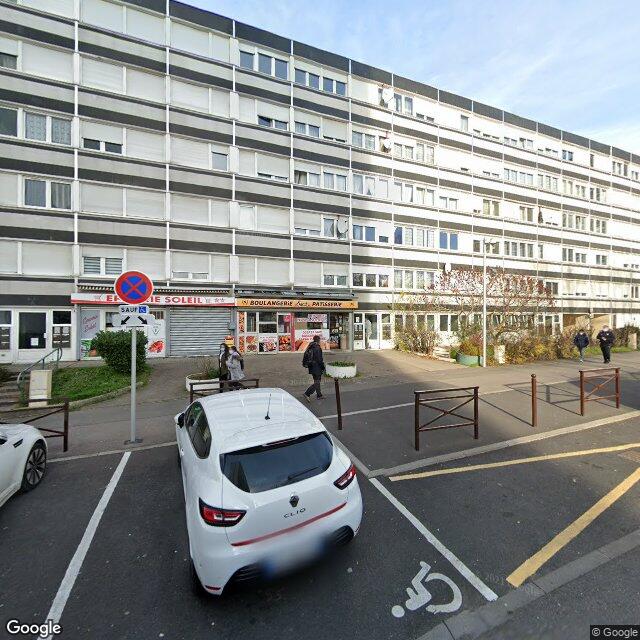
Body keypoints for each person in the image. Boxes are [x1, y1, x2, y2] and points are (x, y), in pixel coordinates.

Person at [302, 335, 325, 402]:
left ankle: (319, 395)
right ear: (318, 340)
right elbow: (319, 360)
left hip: (311, 366)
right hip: (317, 367)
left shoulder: (310, 346)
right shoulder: (317, 348)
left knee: (316, 381)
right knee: (317, 382)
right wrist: (323, 367)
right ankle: (307, 393)